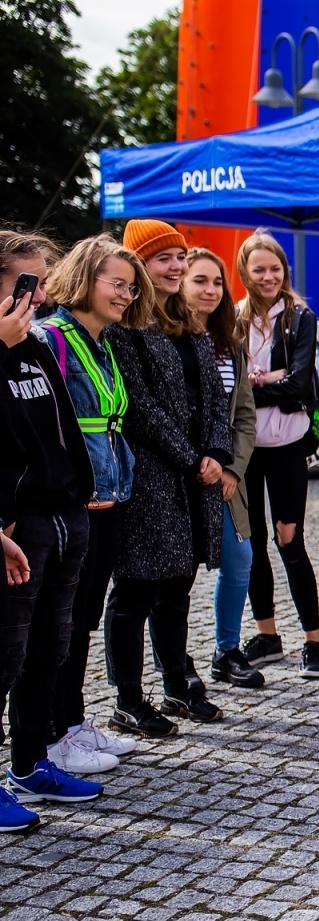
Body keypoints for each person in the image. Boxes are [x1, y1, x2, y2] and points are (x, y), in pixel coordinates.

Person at [102, 220, 232, 731]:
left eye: (180, 256)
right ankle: (128, 699)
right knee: (136, 590)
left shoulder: (190, 321)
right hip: (154, 476)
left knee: (178, 586)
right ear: (137, 266)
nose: (177, 266)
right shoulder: (124, 327)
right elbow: (139, 407)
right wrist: (190, 457)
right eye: (163, 259)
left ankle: (177, 684)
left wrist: (217, 452)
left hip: (195, 476)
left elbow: (215, 398)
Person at [0, 232, 104, 825]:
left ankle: (30, 762)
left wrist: (78, 494)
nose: (36, 295)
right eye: (23, 283)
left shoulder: (36, 344)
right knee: (4, 656)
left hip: (63, 517)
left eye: (40, 282)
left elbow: (60, 425)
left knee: (48, 651)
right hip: (17, 525)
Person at [41, 237, 160, 745]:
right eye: (118, 284)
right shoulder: (50, 340)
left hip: (110, 494)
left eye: (131, 289)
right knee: (58, 623)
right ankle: (52, 730)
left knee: (82, 621)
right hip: (75, 499)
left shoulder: (104, 343)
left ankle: (71, 721)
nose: (126, 296)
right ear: (85, 278)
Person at [235, 230, 319, 678]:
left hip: (289, 445)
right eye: (260, 270)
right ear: (245, 273)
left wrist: (259, 381)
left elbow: (298, 384)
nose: (269, 276)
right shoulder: (233, 318)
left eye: (275, 269)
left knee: (290, 540)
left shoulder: (300, 317)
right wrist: (272, 378)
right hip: (247, 448)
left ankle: (313, 640)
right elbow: (230, 388)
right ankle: (268, 635)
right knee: (251, 545)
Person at [183, 248, 261, 689]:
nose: (210, 290)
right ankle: (174, 665)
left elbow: (245, 415)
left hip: (226, 477)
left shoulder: (230, 343)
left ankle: (226, 651)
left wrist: (232, 469)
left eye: (217, 282)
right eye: (200, 281)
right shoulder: (162, 337)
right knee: (175, 574)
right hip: (181, 472)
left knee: (240, 559)